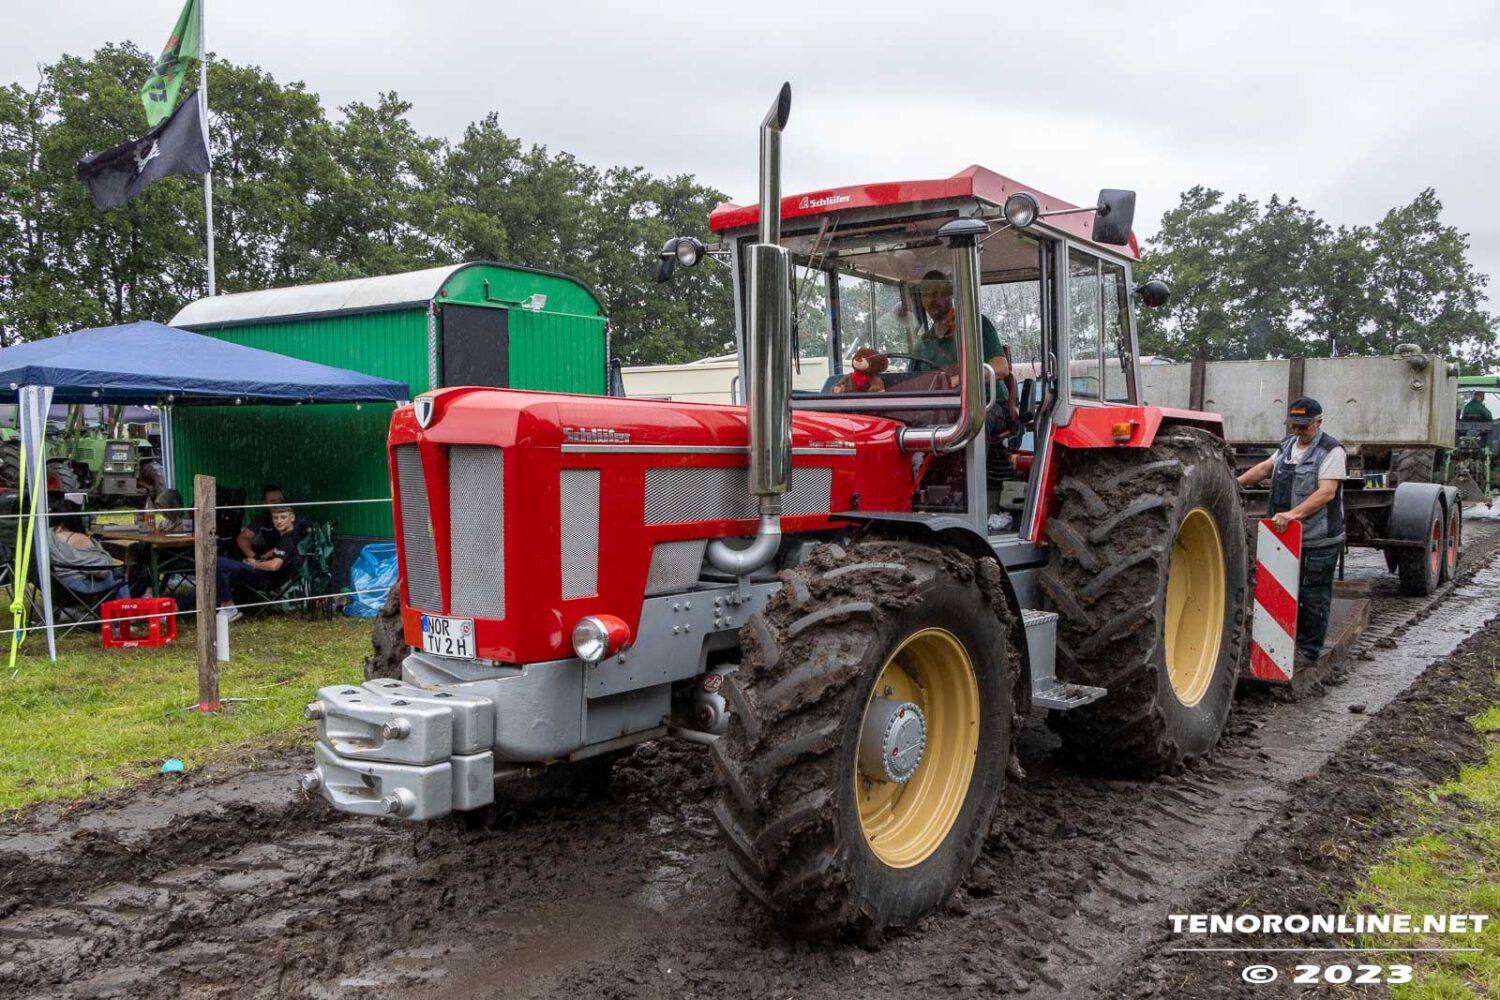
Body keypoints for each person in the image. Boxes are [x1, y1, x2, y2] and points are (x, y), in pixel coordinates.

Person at [1236, 397, 1346, 666]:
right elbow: (1264, 469)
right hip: (1283, 536)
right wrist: (1234, 483)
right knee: (1277, 590)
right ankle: (1276, 643)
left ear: (1319, 422)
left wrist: (1293, 515)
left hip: (1316, 539)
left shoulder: (1332, 451)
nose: (1298, 432)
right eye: (1294, 426)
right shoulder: (1286, 446)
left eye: (1304, 427)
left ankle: (1308, 651)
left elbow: (1327, 491)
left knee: (1313, 595)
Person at [911, 270, 1010, 389]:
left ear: (950, 294)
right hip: (940, 404)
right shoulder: (923, 343)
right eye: (926, 295)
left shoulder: (975, 325)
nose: (931, 300)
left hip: (986, 402)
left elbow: (1001, 368)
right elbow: (908, 381)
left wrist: (957, 380)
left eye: (936, 293)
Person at [216, 505, 300, 621]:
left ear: (292, 518)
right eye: (276, 518)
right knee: (216, 574)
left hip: (267, 578)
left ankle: (228, 607)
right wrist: (258, 559)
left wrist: (254, 564)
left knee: (217, 562)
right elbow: (273, 555)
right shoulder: (287, 537)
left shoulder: (289, 539)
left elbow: (274, 566)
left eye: (283, 517)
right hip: (264, 572)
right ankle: (182, 604)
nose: (279, 521)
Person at [48, 503, 129, 605]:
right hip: (79, 585)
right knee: (119, 575)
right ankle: (125, 615)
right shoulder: (78, 538)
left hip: (58, 583)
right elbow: (103, 568)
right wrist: (98, 546)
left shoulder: (47, 536)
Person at [236, 484, 285, 558]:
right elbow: (243, 537)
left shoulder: (292, 518)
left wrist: (261, 560)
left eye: (280, 500)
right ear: (265, 503)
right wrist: (253, 556)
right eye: (273, 501)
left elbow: (286, 545)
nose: (278, 503)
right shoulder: (262, 518)